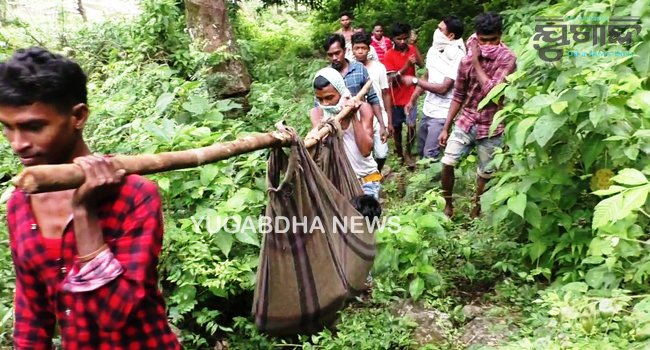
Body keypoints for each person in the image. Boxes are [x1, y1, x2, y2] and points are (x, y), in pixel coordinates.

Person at [0, 47, 181, 349]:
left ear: (78, 116)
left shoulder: (134, 196)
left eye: (34, 127)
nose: (18, 144)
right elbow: (32, 310)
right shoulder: (21, 201)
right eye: (7, 128)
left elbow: (116, 315)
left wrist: (84, 212)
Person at [438, 12, 517, 218]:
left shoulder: (507, 58)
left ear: (500, 36)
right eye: (483, 41)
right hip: (468, 119)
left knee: (485, 173)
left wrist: (476, 62)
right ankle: (448, 206)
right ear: (477, 37)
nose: (488, 45)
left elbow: (494, 94)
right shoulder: (466, 60)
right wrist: (446, 127)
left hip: (492, 125)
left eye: (493, 40)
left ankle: (477, 209)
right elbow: (459, 95)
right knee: (447, 163)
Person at [310, 68, 381, 199]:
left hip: (366, 181)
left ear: (341, 90)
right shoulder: (318, 114)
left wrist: (352, 117)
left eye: (329, 97)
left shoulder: (363, 109)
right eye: (320, 99)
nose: (325, 103)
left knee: (366, 220)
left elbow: (365, 150)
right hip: (337, 184)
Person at [403, 16, 466, 160]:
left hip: (442, 113)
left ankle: (434, 181)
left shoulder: (458, 55)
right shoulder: (434, 49)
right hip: (428, 110)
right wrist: (413, 99)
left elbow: (444, 88)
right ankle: (425, 178)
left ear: (450, 35)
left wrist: (413, 80)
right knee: (421, 149)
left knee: (430, 154)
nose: (436, 32)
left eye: (440, 29)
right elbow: (427, 76)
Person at [312, 34, 388, 152]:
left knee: (373, 153)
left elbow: (372, 97)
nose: (334, 58)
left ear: (345, 50)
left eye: (337, 53)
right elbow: (319, 106)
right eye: (330, 55)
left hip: (361, 121)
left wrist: (382, 124)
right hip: (336, 127)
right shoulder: (325, 76)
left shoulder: (359, 69)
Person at [351, 31, 393, 172]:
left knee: (381, 153)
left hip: (378, 113)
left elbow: (385, 93)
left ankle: (377, 171)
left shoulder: (378, 68)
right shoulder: (349, 70)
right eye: (357, 48)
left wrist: (388, 121)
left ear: (369, 49)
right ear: (352, 49)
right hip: (358, 116)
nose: (360, 51)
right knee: (362, 150)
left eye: (363, 48)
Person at [383, 23, 424, 167]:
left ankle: (408, 153)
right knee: (397, 128)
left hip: (410, 97)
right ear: (393, 39)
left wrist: (414, 46)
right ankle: (399, 153)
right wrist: (405, 67)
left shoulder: (411, 48)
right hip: (395, 98)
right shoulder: (388, 55)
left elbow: (421, 64)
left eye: (405, 38)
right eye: (399, 39)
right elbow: (391, 79)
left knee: (412, 126)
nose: (402, 41)